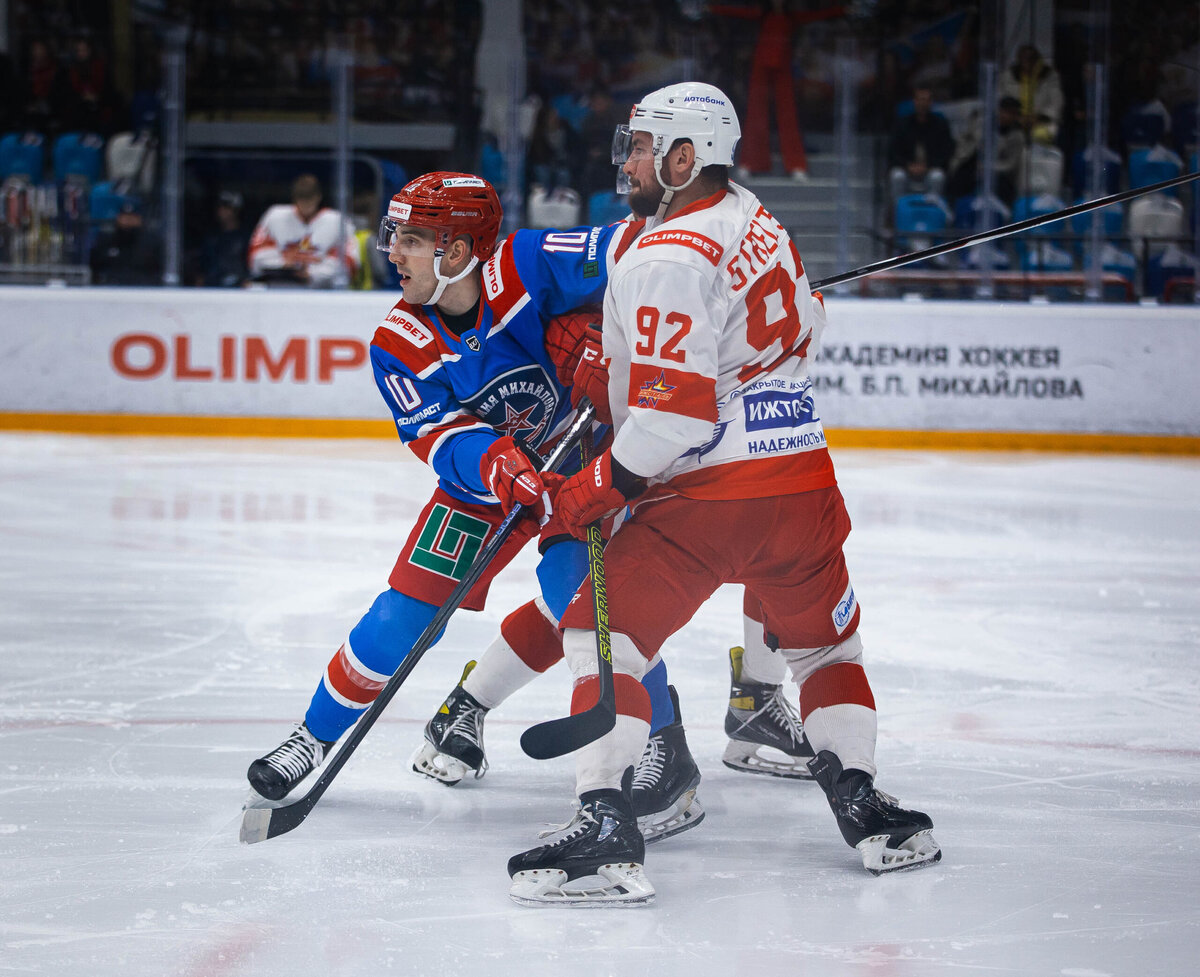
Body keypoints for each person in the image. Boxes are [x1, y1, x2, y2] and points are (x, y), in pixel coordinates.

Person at [503, 81, 940, 907]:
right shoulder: (757, 217)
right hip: (802, 482)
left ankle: (604, 825)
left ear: (681, 158)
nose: (623, 160)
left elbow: (676, 415)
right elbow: (809, 324)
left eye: (638, 146)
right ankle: (868, 807)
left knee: (604, 641)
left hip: (706, 497)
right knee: (827, 653)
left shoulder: (667, 255)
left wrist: (601, 482)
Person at [245, 172, 704, 843]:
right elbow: (437, 434)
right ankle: (311, 738)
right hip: (488, 484)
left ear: (457, 252)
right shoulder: (396, 341)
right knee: (403, 610)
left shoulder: (527, 263)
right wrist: (491, 460)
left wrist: (626, 344)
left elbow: (646, 245)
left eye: (411, 237)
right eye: (397, 234)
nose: (392, 250)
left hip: (580, 465)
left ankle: (665, 741)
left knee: (585, 600)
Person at [711, 1, 847, 181]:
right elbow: (738, 11)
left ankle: (796, 164)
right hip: (761, 65)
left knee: (788, 116)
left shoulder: (791, 17)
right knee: (756, 115)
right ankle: (750, 163)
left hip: (783, 65)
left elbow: (816, 15)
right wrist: (711, 7)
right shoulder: (762, 13)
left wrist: (843, 9)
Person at [247, 173, 359, 287]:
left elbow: (349, 261)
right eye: (302, 199)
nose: (306, 205)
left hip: (321, 291)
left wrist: (312, 274)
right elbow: (256, 254)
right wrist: (282, 265)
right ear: (295, 199)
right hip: (279, 287)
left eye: (309, 199)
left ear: (318, 197)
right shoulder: (275, 215)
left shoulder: (338, 221)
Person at [887, 84, 956, 203]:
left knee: (937, 177)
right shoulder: (902, 124)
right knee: (897, 176)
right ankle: (898, 213)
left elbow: (946, 151)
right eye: (919, 99)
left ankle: (933, 213)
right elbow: (893, 151)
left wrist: (928, 165)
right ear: (914, 101)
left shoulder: (940, 124)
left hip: (930, 168)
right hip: (906, 169)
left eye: (926, 100)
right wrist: (908, 165)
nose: (922, 104)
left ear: (931, 102)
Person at [998, 44, 1063, 147]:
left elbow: (1056, 103)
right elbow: (1001, 99)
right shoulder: (1008, 76)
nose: (1028, 62)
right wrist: (1016, 117)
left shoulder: (1050, 76)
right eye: (1024, 58)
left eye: (1031, 59)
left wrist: (1040, 117)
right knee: (1009, 138)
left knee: (1040, 136)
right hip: (1014, 121)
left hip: (1041, 121)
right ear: (1019, 59)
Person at [89, 199, 162, 286]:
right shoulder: (106, 241)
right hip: (110, 290)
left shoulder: (151, 243)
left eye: (132, 218)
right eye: (124, 217)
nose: (128, 221)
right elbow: (96, 267)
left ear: (140, 219)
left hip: (143, 290)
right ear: (118, 218)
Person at [195, 190, 250, 288]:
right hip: (211, 288)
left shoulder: (246, 238)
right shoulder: (211, 238)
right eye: (219, 207)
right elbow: (203, 267)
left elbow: (250, 267)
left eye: (226, 207)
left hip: (237, 289)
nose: (221, 210)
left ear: (236, 210)